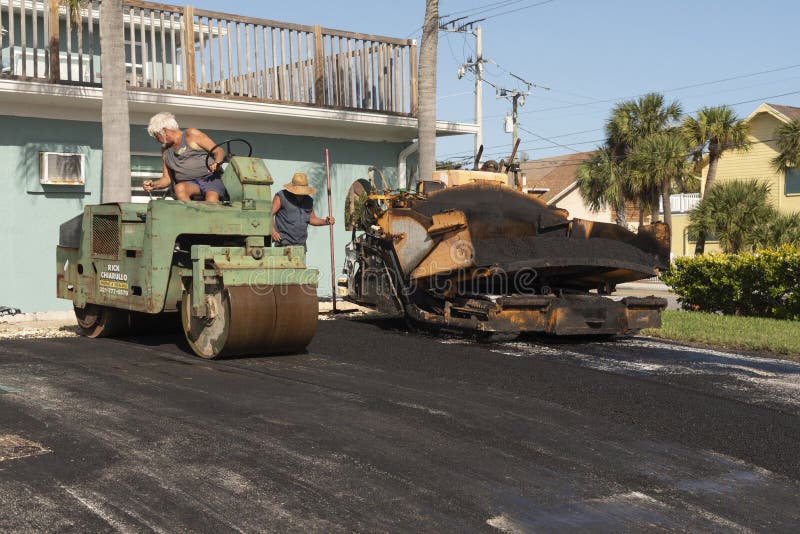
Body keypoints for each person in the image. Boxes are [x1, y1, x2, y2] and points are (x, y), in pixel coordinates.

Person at [143, 112, 228, 202]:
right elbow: (167, 179)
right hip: (190, 184)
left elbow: (219, 151)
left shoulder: (191, 134)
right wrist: (154, 185)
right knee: (179, 188)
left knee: (211, 198)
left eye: (157, 136)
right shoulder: (165, 151)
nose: (157, 140)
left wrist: (217, 163)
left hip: (210, 180)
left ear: (164, 131)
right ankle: (189, 214)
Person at [271, 172, 335, 248]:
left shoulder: (308, 200)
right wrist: (272, 230)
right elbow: (269, 214)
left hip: (301, 246)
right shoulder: (281, 196)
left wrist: (325, 221)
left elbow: (311, 219)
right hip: (283, 245)